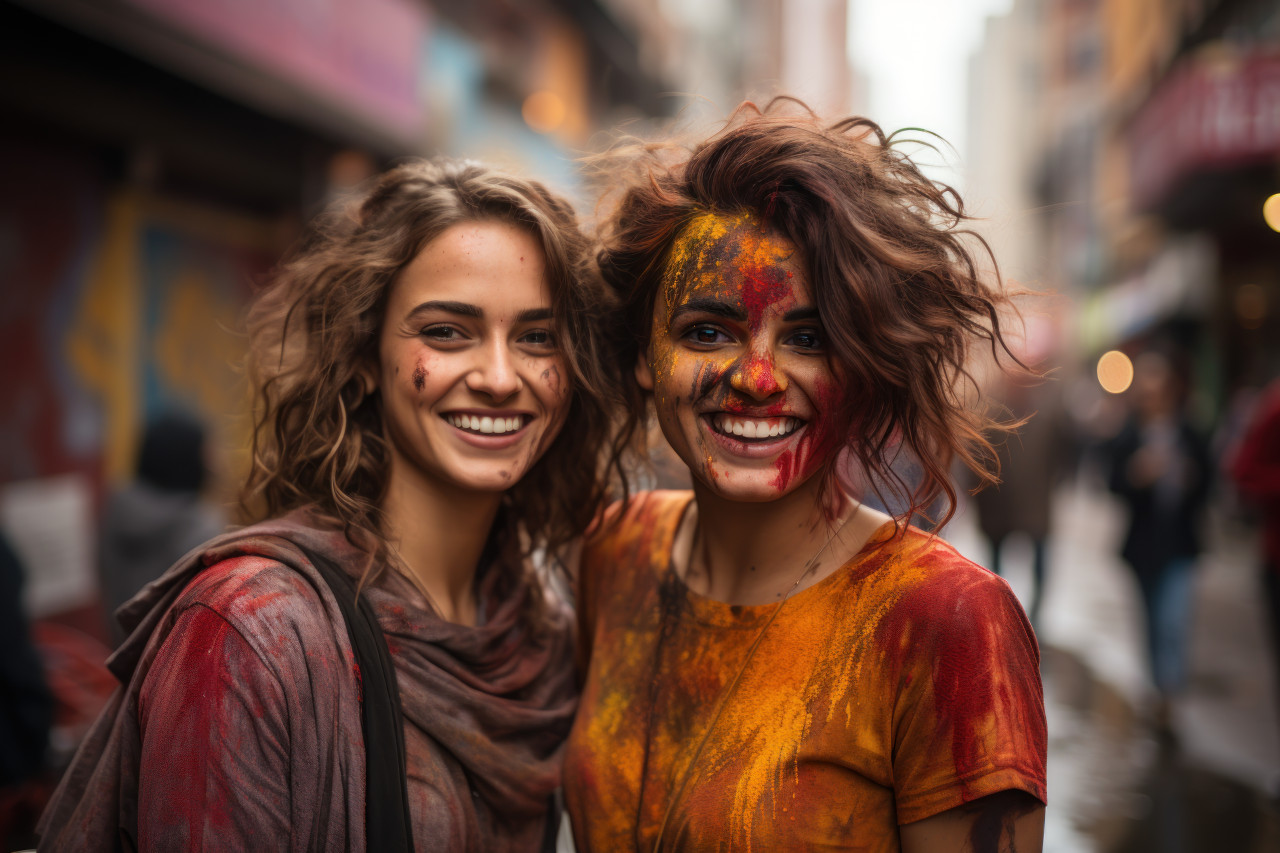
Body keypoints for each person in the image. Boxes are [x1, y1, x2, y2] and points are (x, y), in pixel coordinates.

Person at [38, 158, 618, 851]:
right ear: (365, 355)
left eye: (537, 337)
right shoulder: (249, 631)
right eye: (445, 331)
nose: (499, 377)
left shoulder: (544, 631)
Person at [564, 100, 1047, 852]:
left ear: (863, 366)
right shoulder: (614, 552)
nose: (757, 378)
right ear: (643, 356)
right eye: (706, 331)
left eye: (810, 339)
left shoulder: (948, 620)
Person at [1107, 348, 1210, 727]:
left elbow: (1210, 480)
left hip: (1180, 543)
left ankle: (1169, 689)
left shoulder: (1189, 431)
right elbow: (1113, 483)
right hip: (1143, 547)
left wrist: (1191, 478)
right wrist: (1136, 476)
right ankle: (1156, 685)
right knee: (1151, 620)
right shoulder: (1129, 433)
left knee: (1172, 620)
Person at [98, 409, 225, 644]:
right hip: (176, 662)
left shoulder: (116, 511)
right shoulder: (201, 529)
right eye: (207, 452)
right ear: (187, 458)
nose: (216, 464)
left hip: (123, 653)